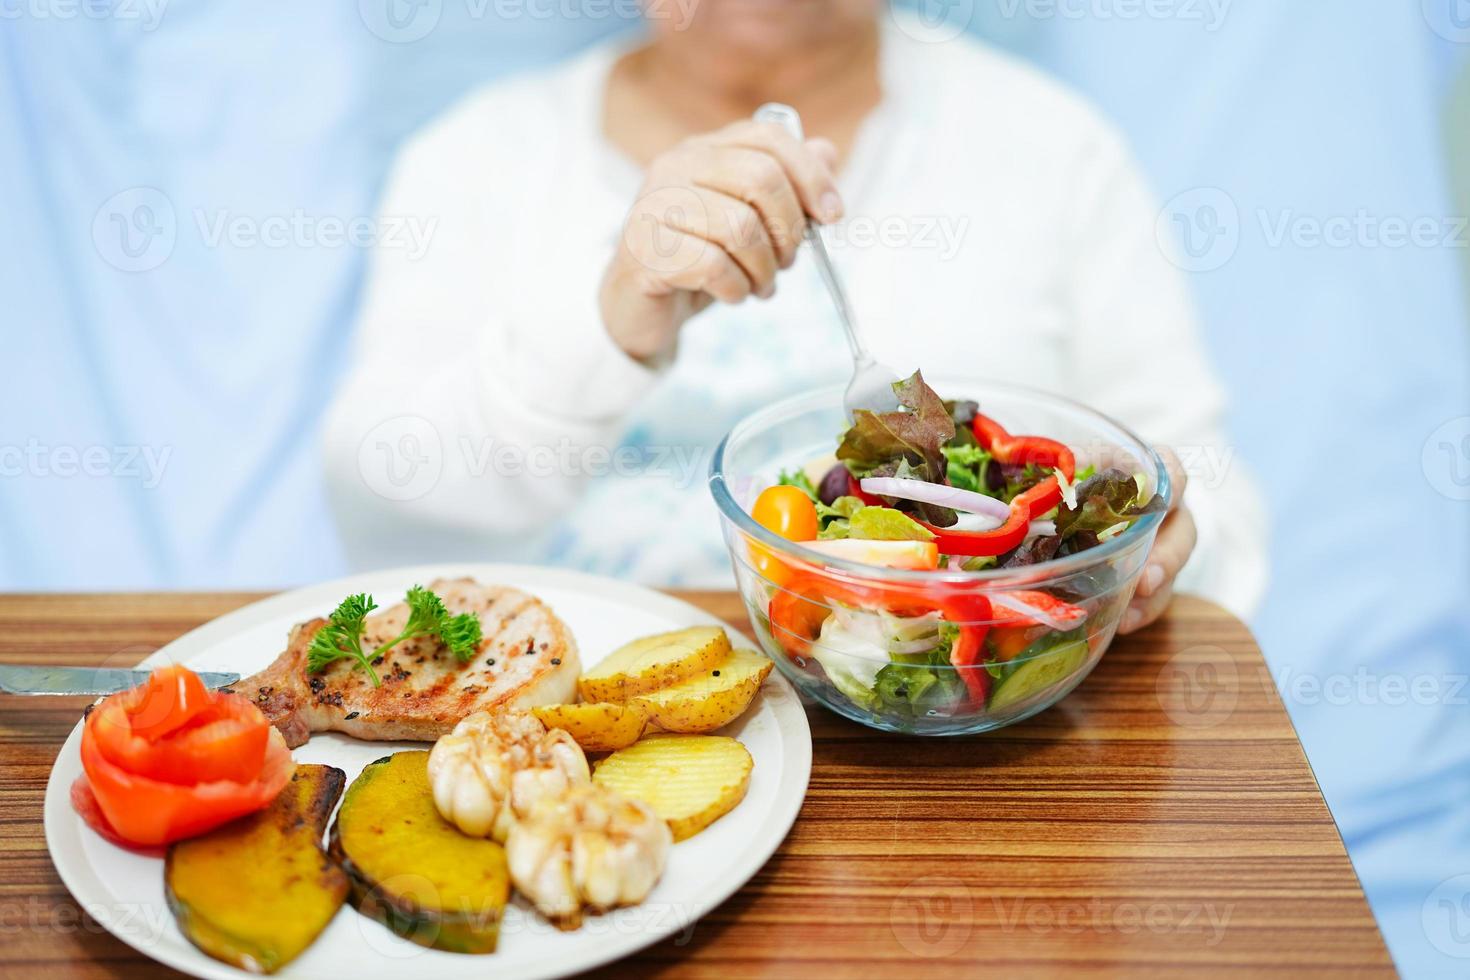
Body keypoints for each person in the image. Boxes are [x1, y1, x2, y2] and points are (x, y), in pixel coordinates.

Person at [324, 0, 1266, 629]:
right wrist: (609, 324)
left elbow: (1216, 512)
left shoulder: (1055, 149)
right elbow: (378, 497)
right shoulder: (476, 156)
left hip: (976, 761)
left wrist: (1158, 548)